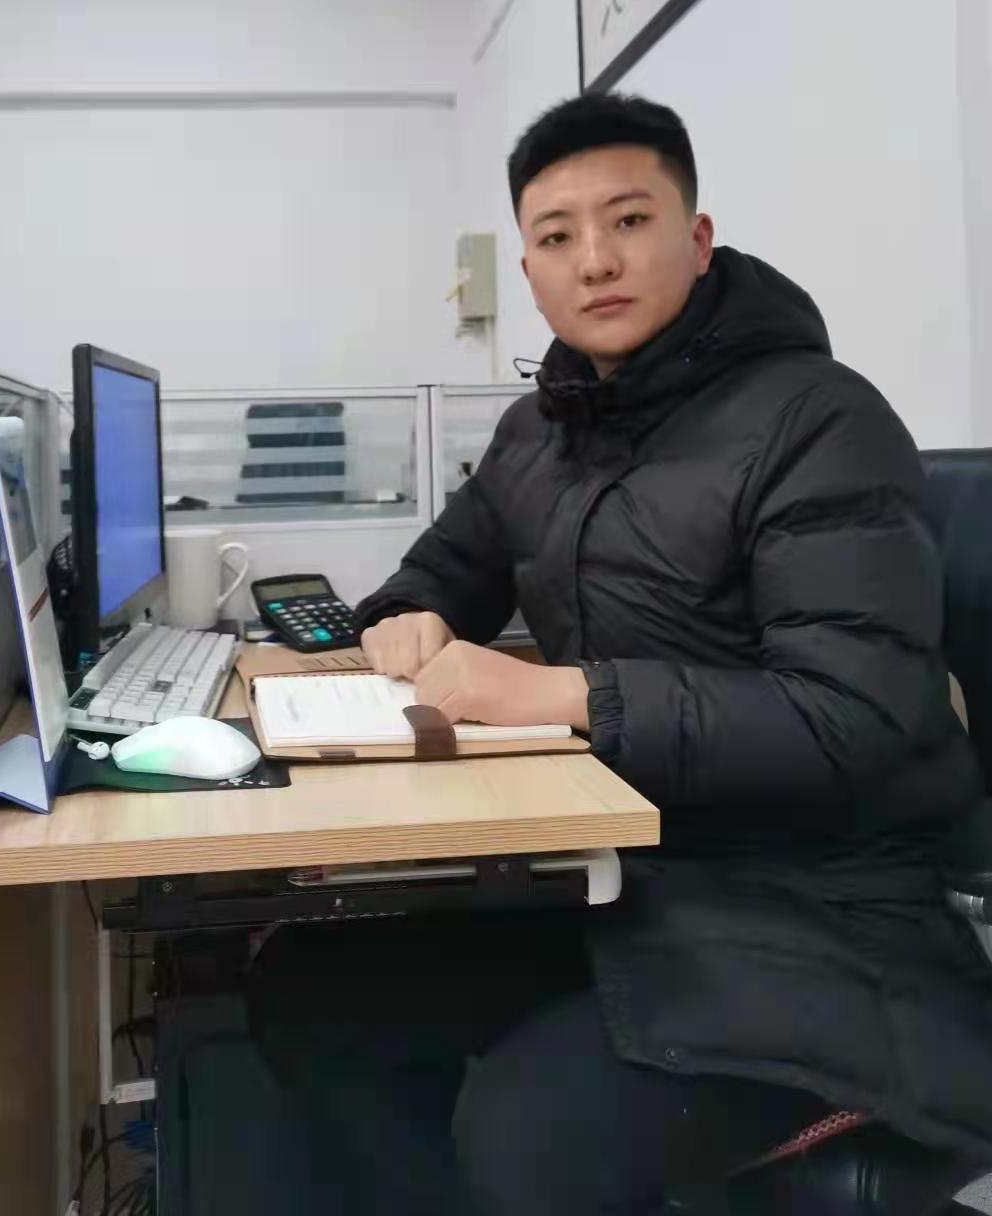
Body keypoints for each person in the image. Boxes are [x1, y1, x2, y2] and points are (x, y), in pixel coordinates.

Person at [247, 92, 992, 1214]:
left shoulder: (820, 421)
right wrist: (405, 615)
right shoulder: (539, 431)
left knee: (527, 1137)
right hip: (632, 877)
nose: (594, 260)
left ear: (698, 238)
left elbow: (851, 716)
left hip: (830, 915)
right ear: (530, 269)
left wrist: (566, 693)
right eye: (556, 237)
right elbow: (440, 571)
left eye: (630, 220)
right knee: (310, 992)